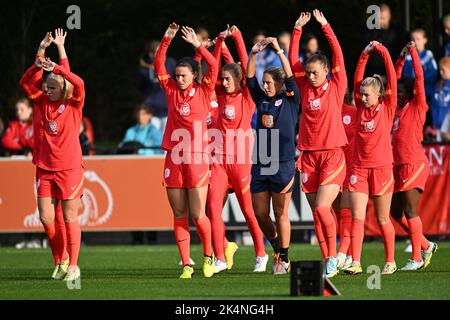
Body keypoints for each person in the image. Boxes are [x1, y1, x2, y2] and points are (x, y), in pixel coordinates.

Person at [19, 28, 85, 282]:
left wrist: (59, 63)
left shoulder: (73, 103)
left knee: (69, 217)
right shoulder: (41, 101)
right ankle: (61, 259)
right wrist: (40, 54)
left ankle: (73, 265)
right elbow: (26, 82)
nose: (47, 88)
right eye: (47, 85)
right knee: (47, 218)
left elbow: (78, 82)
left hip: (68, 167)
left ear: (63, 88)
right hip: (44, 166)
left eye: (53, 86)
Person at [155, 23, 218, 279]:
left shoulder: (204, 91)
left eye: (183, 75)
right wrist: (167, 39)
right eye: (177, 75)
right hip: (174, 156)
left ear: (194, 75)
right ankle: (186, 264)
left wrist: (198, 45)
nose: (178, 79)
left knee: (197, 213)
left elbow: (213, 66)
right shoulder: (170, 89)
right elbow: (159, 64)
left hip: (197, 158)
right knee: (179, 213)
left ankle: (208, 254)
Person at [289, 10, 347, 278]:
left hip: (332, 155)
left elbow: (338, 54)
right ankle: (328, 260)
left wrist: (326, 26)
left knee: (324, 208)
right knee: (317, 214)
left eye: (315, 72)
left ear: (326, 71)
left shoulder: (336, 85)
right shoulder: (304, 86)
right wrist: (297, 30)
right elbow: (292, 60)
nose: (310, 76)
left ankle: (335, 257)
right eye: (308, 72)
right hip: (309, 156)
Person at [207, 25, 268, 274]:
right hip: (219, 162)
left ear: (239, 80)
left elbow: (243, 64)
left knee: (248, 211)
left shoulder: (247, 96)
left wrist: (238, 37)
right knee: (212, 210)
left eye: (228, 79)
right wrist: (220, 42)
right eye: (222, 79)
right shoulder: (220, 95)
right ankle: (220, 257)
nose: (223, 82)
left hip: (241, 161)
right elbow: (214, 69)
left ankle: (261, 253)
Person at [247, 33, 300, 275]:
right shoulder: (262, 100)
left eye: (269, 82)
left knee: (281, 213)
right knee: (260, 214)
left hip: (283, 162)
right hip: (262, 161)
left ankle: (284, 258)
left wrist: (279, 50)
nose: (265, 85)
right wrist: (253, 53)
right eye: (264, 82)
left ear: (279, 84)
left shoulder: (290, 98)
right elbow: (249, 81)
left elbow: (290, 76)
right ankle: (277, 244)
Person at [345, 41, 397, 276]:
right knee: (357, 218)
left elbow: (393, 81)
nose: (363, 98)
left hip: (382, 169)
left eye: (367, 95)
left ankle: (390, 261)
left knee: (383, 218)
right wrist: (365, 53)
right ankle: (355, 262)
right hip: (359, 169)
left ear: (379, 94)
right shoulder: (360, 107)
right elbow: (357, 78)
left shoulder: (387, 107)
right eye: (362, 95)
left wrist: (384, 51)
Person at [392, 41, 438, 271]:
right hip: (397, 165)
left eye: (401, 93)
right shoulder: (395, 109)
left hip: (413, 163)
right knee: (394, 212)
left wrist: (413, 53)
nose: (397, 95)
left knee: (411, 211)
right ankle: (426, 245)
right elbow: (393, 79)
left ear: (409, 94)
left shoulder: (417, 105)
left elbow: (419, 79)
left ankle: (417, 258)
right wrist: (400, 59)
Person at [332, 89, 357, 270]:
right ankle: (346, 253)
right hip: (331, 169)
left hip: (350, 169)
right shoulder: (325, 111)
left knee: (347, 212)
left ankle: (342, 253)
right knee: (337, 213)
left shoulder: (353, 112)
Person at [137, 41, 176, 132]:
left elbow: (178, 82)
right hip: (151, 109)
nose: (159, 54)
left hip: (168, 108)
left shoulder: (170, 63)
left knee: (166, 139)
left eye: (162, 51)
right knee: (153, 139)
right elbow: (141, 87)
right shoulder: (143, 68)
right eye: (155, 52)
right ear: (150, 54)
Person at [363, 3, 407, 77]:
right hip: (371, 74)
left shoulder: (397, 32)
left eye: (383, 18)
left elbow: (400, 55)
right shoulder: (369, 32)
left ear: (389, 17)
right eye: (378, 18)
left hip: (390, 74)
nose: (380, 21)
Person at [401, 29, 438, 104]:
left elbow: (434, 74)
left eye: (418, 39)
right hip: (411, 94)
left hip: (426, 94)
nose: (415, 42)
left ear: (425, 40)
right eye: (413, 39)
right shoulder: (408, 57)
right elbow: (405, 75)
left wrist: (419, 79)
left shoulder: (428, 55)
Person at [431, 57, 450, 133]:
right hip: (437, 123)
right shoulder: (438, 84)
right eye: (440, 70)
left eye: (443, 70)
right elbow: (433, 103)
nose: (441, 72)